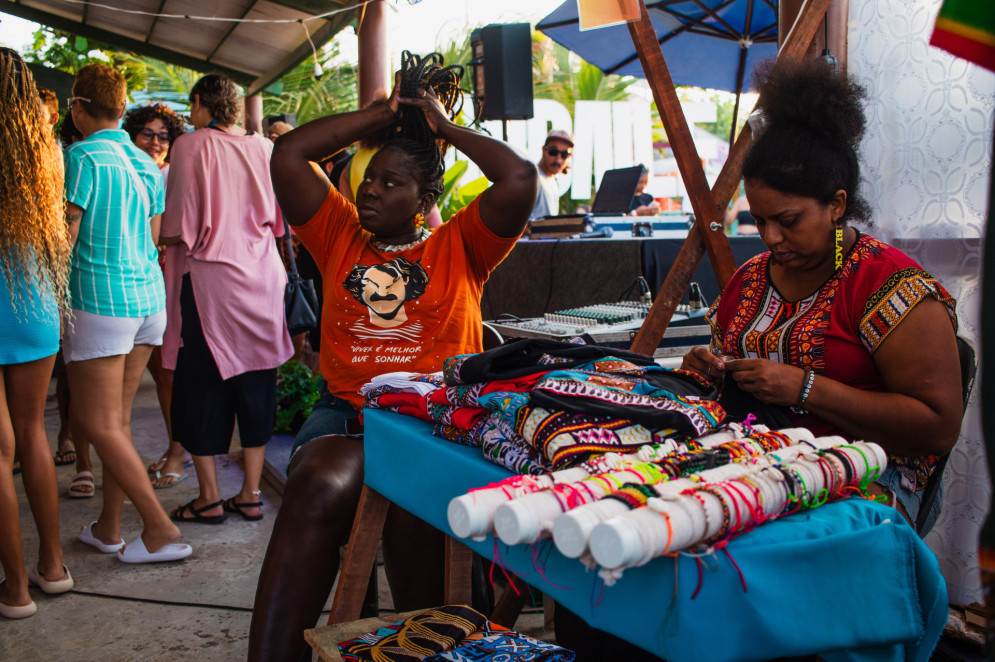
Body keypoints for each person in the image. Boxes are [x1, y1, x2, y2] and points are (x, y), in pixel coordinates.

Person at [248, 51, 537, 662]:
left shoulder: (462, 245)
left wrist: (445, 126)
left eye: (391, 182)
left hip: (434, 423)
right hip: (347, 416)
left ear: (426, 195)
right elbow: (289, 154)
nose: (371, 190)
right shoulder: (338, 233)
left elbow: (519, 180)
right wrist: (378, 114)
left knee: (416, 515)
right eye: (369, 178)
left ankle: (423, 649)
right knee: (318, 490)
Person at [681, 57, 962, 535]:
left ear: (836, 205)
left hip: (873, 475)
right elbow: (726, 375)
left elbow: (937, 426)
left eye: (787, 221)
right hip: (760, 459)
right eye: (759, 220)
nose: (770, 237)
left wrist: (806, 388)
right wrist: (704, 370)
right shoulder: (749, 281)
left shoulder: (888, 284)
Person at [63, 63, 192, 563]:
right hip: (147, 301)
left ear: (78, 107)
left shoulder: (82, 156)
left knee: (97, 424)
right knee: (114, 421)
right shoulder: (144, 163)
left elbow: (67, 235)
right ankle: (109, 528)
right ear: (120, 110)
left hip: (99, 300)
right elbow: (156, 239)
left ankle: (158, 528)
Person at [159, 74, 293, 525]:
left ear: (200, 103)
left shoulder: (190, 145)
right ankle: (251, 494)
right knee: (258, 384)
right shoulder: (264, 148)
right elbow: (277, 221)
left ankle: (210, 498)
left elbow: (175, 226)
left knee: (200, 387)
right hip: (262, 280)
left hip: (210, 284)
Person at [0, 47, 73, 619]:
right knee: (33, 434)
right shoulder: (47, 153)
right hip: (35, 303)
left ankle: (16, 588)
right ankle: (52, 566)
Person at [122, 103, 190, 489]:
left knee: (166, 370)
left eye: (164, 135)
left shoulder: (174, 175)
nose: (156, 142)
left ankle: (177, 449)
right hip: (137, 278)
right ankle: (173, 446)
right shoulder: (127, 170)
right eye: (148, 133)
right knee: (154, 369)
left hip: (168, 278)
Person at [529, 129, 572, 220]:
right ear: (544, 150)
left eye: (564, 154)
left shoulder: (553, 181)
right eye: (553, 152)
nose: (558, 159)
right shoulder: (531, 178)